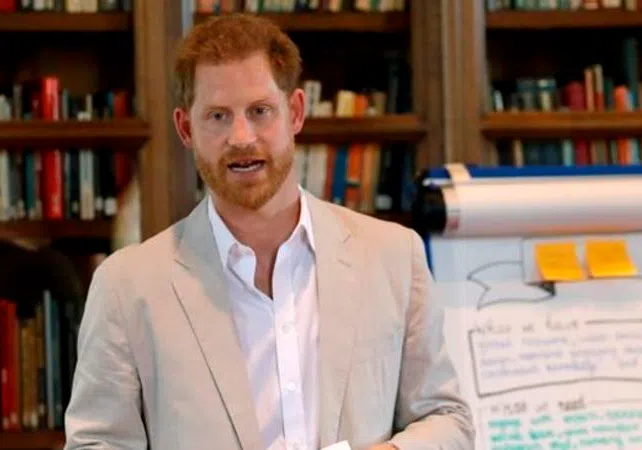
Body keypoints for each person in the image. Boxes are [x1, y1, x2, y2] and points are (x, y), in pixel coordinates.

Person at [64, 13, 473, 450]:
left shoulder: (393, 256)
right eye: (218, 116)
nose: (241, 137)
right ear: (185, 129)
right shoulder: (126, 287)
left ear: (295, 112)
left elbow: (448, 420)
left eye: (260, 111)